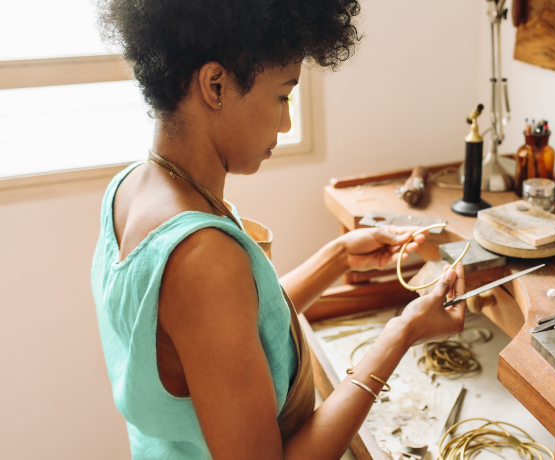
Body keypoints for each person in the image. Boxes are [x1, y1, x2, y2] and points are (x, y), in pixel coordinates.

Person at [92, 1, 466, 459]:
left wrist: (339, 257)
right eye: (283, 95)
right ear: (216, 85)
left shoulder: (132, 187)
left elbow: (234, 331)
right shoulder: (201, 257)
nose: (286, 123)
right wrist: (401, 333)